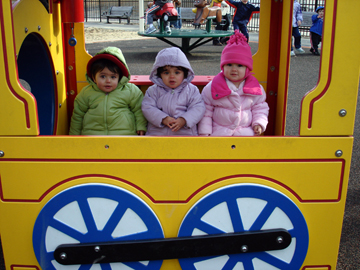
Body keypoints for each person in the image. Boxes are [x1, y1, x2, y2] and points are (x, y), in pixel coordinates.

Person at [198, 30, 269, 136]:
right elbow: (206, 112)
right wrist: (205, 132)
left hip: (245, 135)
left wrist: (258, 123)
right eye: (229, 65)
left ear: (247, 68)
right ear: (223, 66)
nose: (234, 69)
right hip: (219, 133)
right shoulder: (213, 87)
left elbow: (260, 108)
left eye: (239, 66)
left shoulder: (255, 88)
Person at [69, 47, 147, 135]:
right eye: (103, 76)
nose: (108, 81)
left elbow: (139, 110)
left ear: (120, 78)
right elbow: (78, 116)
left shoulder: (130, 90)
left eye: (113, 77)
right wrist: (73, 137)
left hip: (124, 135)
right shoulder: (86, 92)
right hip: (93, 136)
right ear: (94, 78)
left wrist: (141, 126)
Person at [141, 47, 205, 136]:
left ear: (185, 73)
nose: (172, 76)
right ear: (159, 74)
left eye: (177, 72)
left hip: (184, 133)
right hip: (157, 133)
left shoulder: (191, 90)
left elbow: (198, 108)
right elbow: (147, 107)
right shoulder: (153, 90)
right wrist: (163, 118)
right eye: (166, 73)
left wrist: (184, 120)